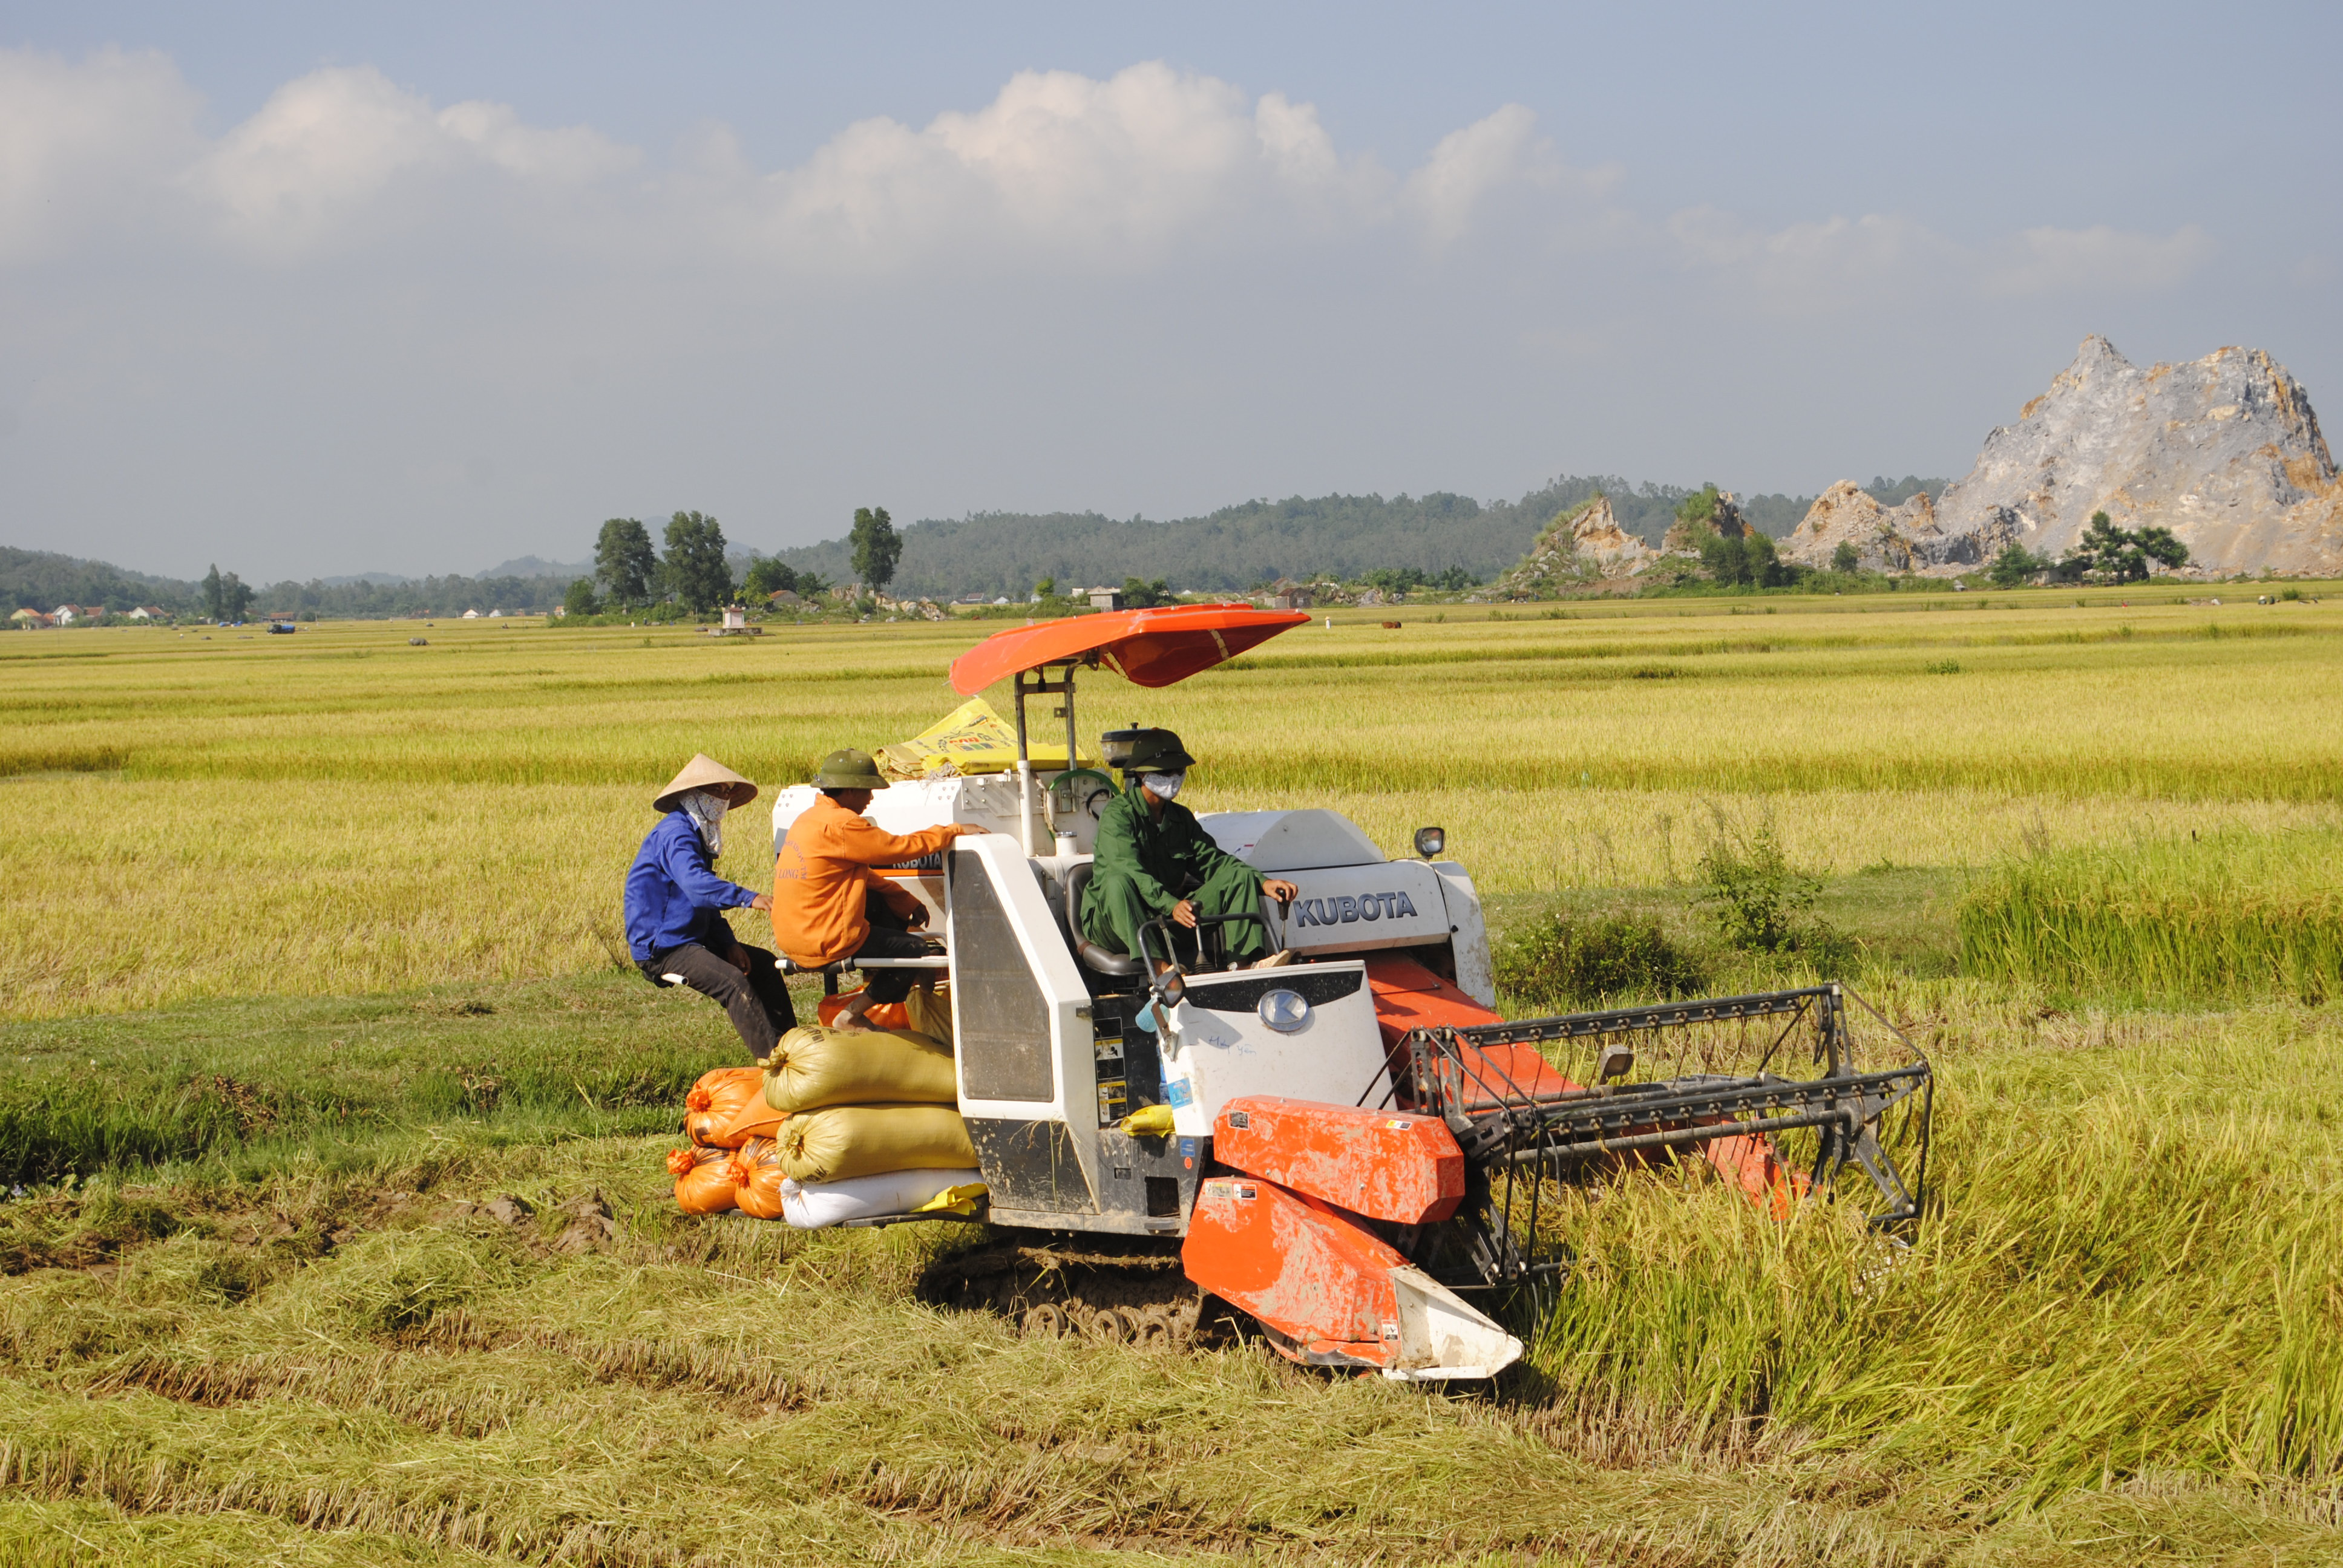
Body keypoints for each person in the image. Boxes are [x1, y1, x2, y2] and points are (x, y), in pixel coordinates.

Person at [773, 748, 982, 1021]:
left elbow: (860, 877)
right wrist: (953, 830)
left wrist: (904, 899)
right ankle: (852, 1016)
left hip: (794, 939)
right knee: (917, 952)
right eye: (867, 790)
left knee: (879, 903)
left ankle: (919, 988)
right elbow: (899, 848)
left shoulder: (807, 820)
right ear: (849, 791)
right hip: (826, 941)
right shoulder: (844, 824)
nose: (871, 798)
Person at [623, 754, 797, 1061]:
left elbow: (702, 905)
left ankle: (795, 1048)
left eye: (729, 791)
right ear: (696, 795)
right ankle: (776, 1066)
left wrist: (728, 943)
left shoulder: (697, 835)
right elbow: (697, 885)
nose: (726, 798)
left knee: (765, 966)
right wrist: (750, 898)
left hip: (691, 939)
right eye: (719, 791)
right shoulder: (675, 834)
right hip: (663, 948)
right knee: (733, 984)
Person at [1080, 728, 1298, 972]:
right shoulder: (1118, 816)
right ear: (1141, 774)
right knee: (1118, 883)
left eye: (1179, 771)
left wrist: (1263, 882)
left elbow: (1213, 861)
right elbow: (1129, 870)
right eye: (1165, 772)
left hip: (1164, 920)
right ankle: (1164, 971)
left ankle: (1244, 966)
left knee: (1240, 877)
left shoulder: (1180, 818)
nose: (1174, 777)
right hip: (1116, 924)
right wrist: (1171, 904)